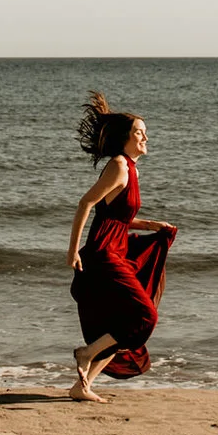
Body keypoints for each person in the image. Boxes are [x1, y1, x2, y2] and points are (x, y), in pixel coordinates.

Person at [64, 91, 176, 402]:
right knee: (145, 316)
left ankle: (82, 386)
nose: (145, 137)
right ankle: (86, 353)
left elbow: (117, 217)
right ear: (125, 137)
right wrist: (72, 250)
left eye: (145, 132)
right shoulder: (118, 166)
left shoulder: (132, 169)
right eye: (139, 132)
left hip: (118, 250)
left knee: (121, 325)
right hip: (104, 254)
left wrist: (152, 225)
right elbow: (86, 204)